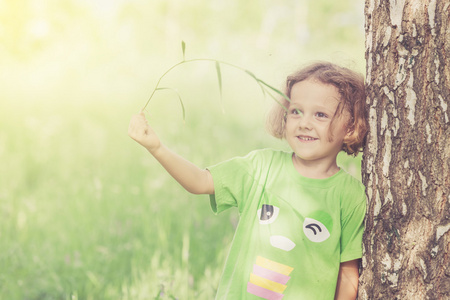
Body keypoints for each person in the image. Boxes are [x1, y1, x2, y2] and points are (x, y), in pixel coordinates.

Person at [128, 62, 368, 300]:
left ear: (350, 127)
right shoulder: (261, 167)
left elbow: (348, 272)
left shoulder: (350, 194)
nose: (304, 122)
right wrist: (156, 148)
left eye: (320, 115)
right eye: (296, 111)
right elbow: (200, 181)